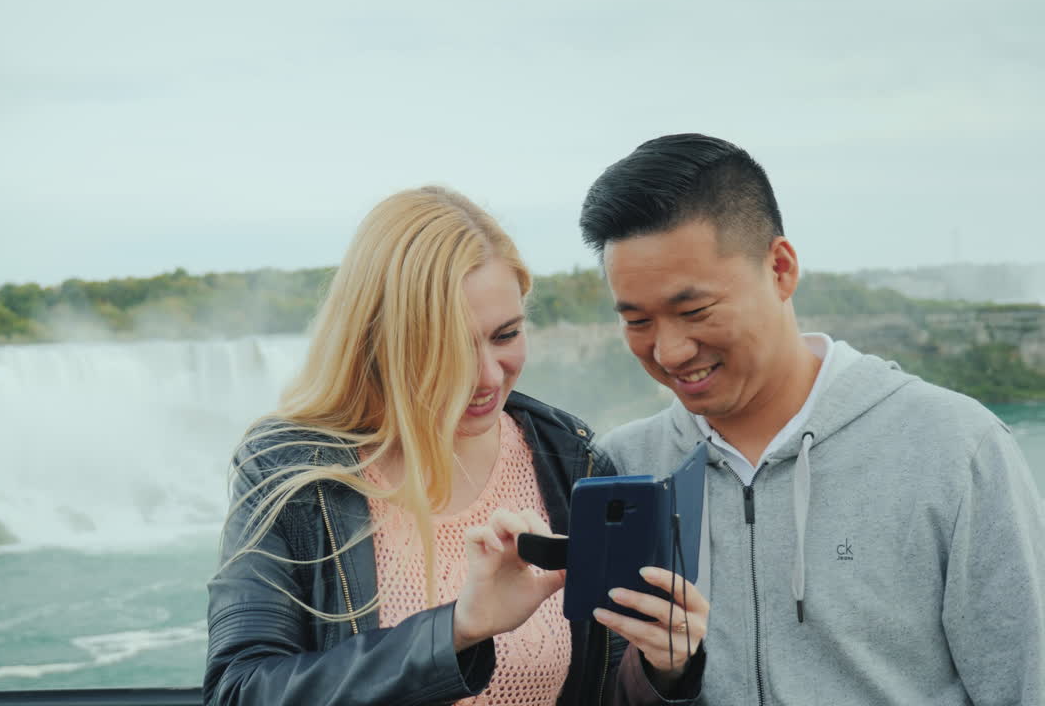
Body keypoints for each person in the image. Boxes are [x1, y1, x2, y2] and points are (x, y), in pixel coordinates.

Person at [579, 133, 1045, 705]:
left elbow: (1025, 682)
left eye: (693, 310)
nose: (670, 351)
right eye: (637, 321)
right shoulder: (623, 467)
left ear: (780, 268)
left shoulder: (954, 448)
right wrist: (668, 675)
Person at [203, 186, 708, 706]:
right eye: (450, 347)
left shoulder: (571, 459)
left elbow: (607, 693)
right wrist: (456, 630)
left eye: (506, 335)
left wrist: (665, 670)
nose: (489, 376)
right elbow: (239, 691)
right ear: (382, 339)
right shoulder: (287, 471)